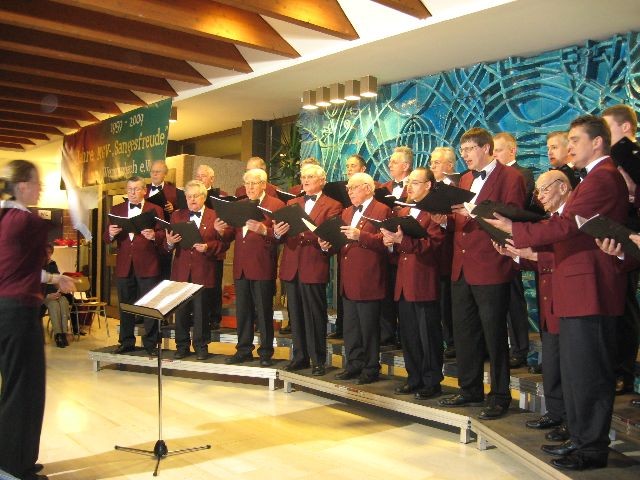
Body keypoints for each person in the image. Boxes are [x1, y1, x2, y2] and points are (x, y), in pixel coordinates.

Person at [487, 115, 627, 470]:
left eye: (575, 140)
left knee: (588, 375)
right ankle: (580, 440)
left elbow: (565, 226)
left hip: (590, 290)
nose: (570, 146)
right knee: (577, 374)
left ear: (597, 142)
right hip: (579, 289)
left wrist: (515, 229)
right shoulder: (593, 178)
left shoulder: (603, 176)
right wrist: (524, 246)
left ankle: (590, 448)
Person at [438, 127, 526, 420]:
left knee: (495, 335)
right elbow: (459, 223)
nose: (464, 155)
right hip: (461, 267)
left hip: (492, 265)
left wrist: (474, 211)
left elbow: (512, 215)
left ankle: (499, 395)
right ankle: (469, 388)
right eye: (462, 150)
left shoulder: (510, 177)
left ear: (486, 148)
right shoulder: (464, 179)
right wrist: (443, 220)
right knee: (465, 333)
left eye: (469, 150)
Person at [0, 159, 75, 480]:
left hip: (5, 309)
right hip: (19, 311)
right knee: (25, 391)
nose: (40, 188)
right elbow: (38, 255)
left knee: (14, 386)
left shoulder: (4, 217)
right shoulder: (27, 221)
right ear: (22, 186)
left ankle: (11, 460)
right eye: (36, 182)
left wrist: (54, 278)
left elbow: (17, 265)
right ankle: (15, 468)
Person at [494, 170, 573, 442]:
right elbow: (540, 260)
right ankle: (555, 412)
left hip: (568, 300)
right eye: (537, 191)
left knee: (569, 366)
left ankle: (570, 421)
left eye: (544, 189)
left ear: (563, 187)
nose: (540, 196)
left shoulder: (569, 220)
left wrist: (532, 253)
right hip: (549, 301)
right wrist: (515, 254)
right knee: (551, 361)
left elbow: (566, 258)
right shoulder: (551, 220)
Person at [320, 173, 390, 385]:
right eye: (348, 188)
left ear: (368, 188)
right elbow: (341, 239)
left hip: (369, 276)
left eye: (354, 188)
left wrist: (361, 236)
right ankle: (353, 364)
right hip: (348, 277)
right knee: (351, 327)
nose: (349, 192)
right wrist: (328, 245)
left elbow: (386, 241)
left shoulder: (382, 210)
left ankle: (371, 368)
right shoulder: (347, 211)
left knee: (368, 327)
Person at [381, 167, 445, 399]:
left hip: (424, 280)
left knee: (428, 335)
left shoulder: (435, 213)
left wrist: (403, 241)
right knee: (409, 334)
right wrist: (390, 243)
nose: (409, 186)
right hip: (404, 281)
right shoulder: (404, 210)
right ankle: (414, 377)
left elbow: (433, 246)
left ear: (428, 185)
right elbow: (399, 250)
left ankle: (431, 381)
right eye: (409, 182)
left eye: (415, 182)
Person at [276, 164, 342, 375]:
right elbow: (283, 236)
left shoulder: (333, 205)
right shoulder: (292, 203)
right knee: (295, 315)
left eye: (310, 177)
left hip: (313, 264)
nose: (305, 180)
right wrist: (278, 232)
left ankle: (318, 360)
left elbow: (332, 236)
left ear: (322, 180)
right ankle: (299, 357)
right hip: (292, 265)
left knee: (315, 316)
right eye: (303, 177)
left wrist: (314, 237)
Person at [217, 169, 285, 366]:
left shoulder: (276, 205)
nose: (250, 187)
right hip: (241, 266)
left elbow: (282, 236)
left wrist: (265, 230)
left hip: (262, 265)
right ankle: (243, 350)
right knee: (243, 311)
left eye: (254, 183)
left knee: (264, 312)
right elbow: (231, 234)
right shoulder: (240, 205)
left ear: (263, 184)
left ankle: (265, 352)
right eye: (247, 184)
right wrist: (221, 231)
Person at [165, 180, 231, 360]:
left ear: (204, 197)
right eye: (189, 196)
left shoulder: (215, 215)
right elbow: (168, 244)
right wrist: (169, 243)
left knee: (201, 312)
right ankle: (182, 346)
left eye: (195, 196)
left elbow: (224, 244)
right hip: (181, 271)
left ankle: (201, 347)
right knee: (181, 312)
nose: (192, 200)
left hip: (204, 269)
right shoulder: (177, 215)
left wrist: (208, 247)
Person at [602, 104, 640, 396]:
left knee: (625, 307)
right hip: (611, 238)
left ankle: (624, 372)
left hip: (631, 240)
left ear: (625, 128)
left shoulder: (631, 157)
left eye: (608, 129)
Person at [104, 176, 165, 356]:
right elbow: (106, 238)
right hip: (125, 265)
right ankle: (126, 342)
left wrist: (154, 236)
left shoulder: (155, 209)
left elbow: (163, 234)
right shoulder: (117, 209)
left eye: (136, 189)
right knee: (125, 306)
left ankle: (151, 344)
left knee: (150, 306)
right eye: (129, 189)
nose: (132, 192)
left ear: (144, 190)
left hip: (148, 264)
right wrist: (110, 233)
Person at [493, 132, 534, 369]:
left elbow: (517, 207)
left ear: (512, 150)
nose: (495, 155)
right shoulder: (491, 176)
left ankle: (520, 348)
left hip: (512, 242)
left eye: (498, 150)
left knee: (514, 298)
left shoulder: (521, 174)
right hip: (493, 244)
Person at [378, 146, 413, 347]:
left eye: (394, 162)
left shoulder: (415, 186)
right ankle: (387, 335)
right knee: (387, 292)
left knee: (405, 296)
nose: (389, 165)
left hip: (407, 246)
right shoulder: (385, 188)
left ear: (406, 166)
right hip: (387, 247)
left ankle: (405, 335)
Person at [429, 146, 457, 358]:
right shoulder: (431, 188)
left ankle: (453, 341)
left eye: (437, 163)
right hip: (431, 253)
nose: (432, 167)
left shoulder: (456, 187)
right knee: (437, 302)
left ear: (450, 165)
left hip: (449, 251)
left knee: (448, 302)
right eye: (431, 163)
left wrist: (445, 221)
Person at [194, 164, 228, 330]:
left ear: (212, 179)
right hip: (195, 248)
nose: (199, 178)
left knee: (214, 284)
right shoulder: (191, 195)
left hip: (214, 247)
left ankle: (214, 317)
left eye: (203, 176)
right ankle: (195, 316)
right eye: (197, 176)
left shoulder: (222, 196)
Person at [42, 243, 72, 348]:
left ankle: (64, 333)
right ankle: (58, 334)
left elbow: (58, 280)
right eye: (46, 252)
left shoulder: (53, 264)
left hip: (55, 294)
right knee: (54, 305)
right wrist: (48, 295)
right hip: (44, 296)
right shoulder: (37, 266)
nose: (48, 255)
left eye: (50, 253)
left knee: (64, 302)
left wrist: (59, 291)